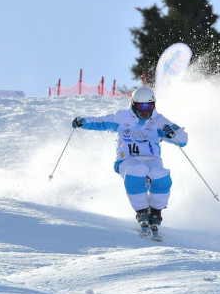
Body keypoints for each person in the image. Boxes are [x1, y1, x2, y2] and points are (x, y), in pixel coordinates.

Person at [72, 87, 188, 241]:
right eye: (141, 107)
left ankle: (155, 212)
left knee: (162, 175)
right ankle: (141, 211)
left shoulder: (158, 121)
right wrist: (83, 122)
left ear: (154, 105)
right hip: (128, 160)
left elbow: (183, 140)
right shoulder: (122, 118)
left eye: (149, 106)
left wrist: (172, 132)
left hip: (152, 160)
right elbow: (101, 122)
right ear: (134, 104)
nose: (145, 111)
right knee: (137, 170)